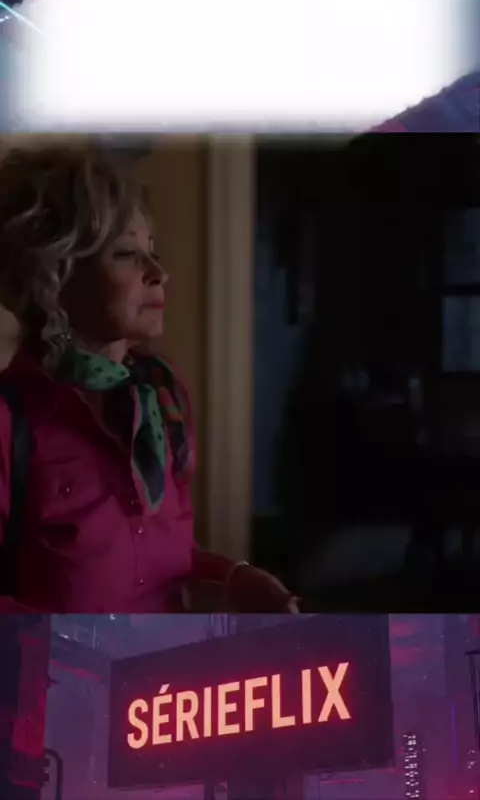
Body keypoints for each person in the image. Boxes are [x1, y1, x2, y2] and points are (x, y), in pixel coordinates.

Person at [0, 142, 299, 614]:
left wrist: (234, 578)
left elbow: (162, 557)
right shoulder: (10, 420)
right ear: (54, 275)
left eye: (152, 251)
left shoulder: (163, 399)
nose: (159, 273)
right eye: (126, 254)